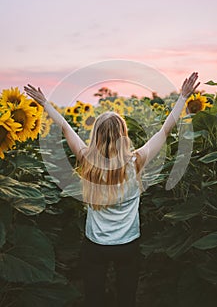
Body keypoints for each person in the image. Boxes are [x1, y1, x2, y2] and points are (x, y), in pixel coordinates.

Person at [24, 72, 200, 307]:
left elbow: (66, 127)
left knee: (93, 297)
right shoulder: (136, 161)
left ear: (95, 136)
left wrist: (45, 104)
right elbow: (164, 131)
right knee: (126, 297)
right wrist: (183, 98)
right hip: (128, 245)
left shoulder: (87, 160)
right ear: (122, 135)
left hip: (95, 245)